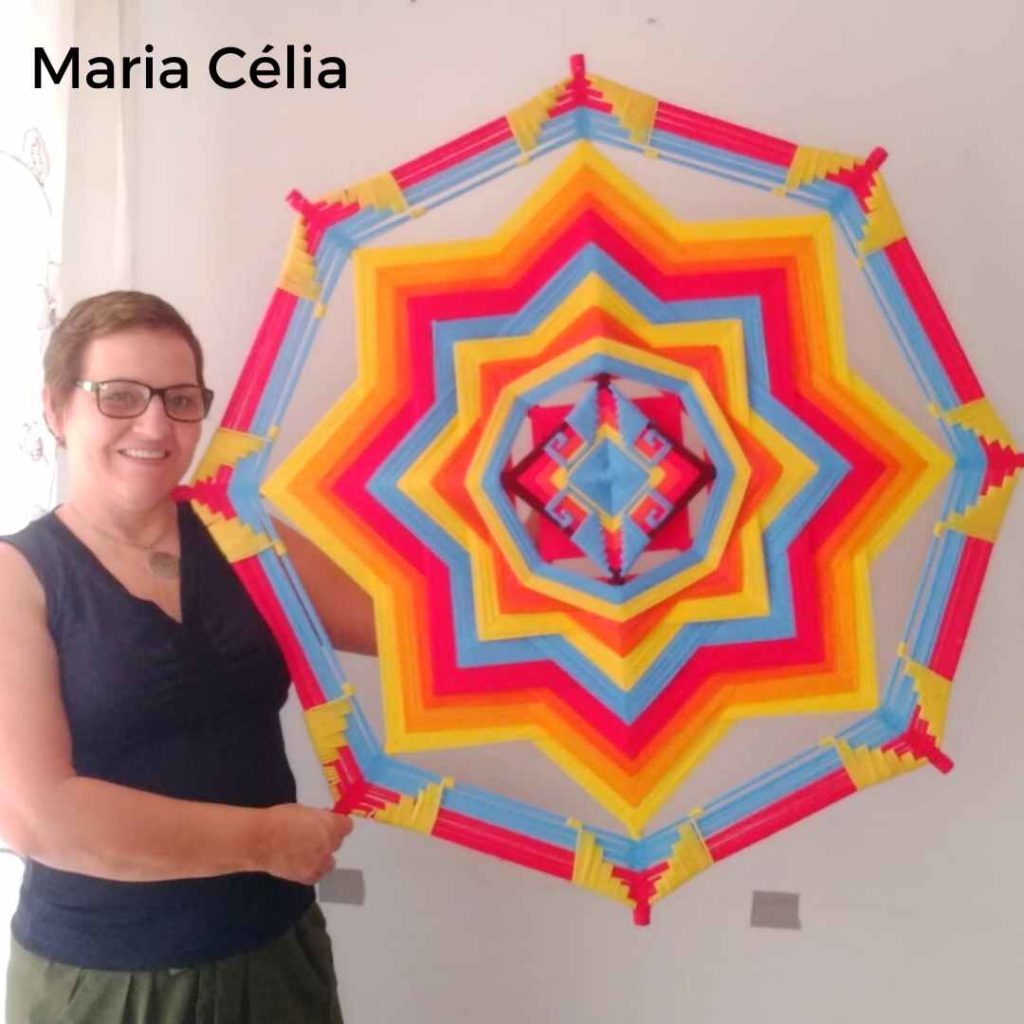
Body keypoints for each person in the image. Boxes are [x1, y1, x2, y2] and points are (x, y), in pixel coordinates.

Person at [0, 291, 377, 1023]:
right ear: (56, 409)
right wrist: (265, 841)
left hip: (276, 956)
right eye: (119, 396)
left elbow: (404, 625)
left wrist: (539, 522)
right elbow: (36, 815)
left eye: (179, 399)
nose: (155, 425)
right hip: (104, 985)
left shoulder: (246, 538)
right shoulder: (18, 578)